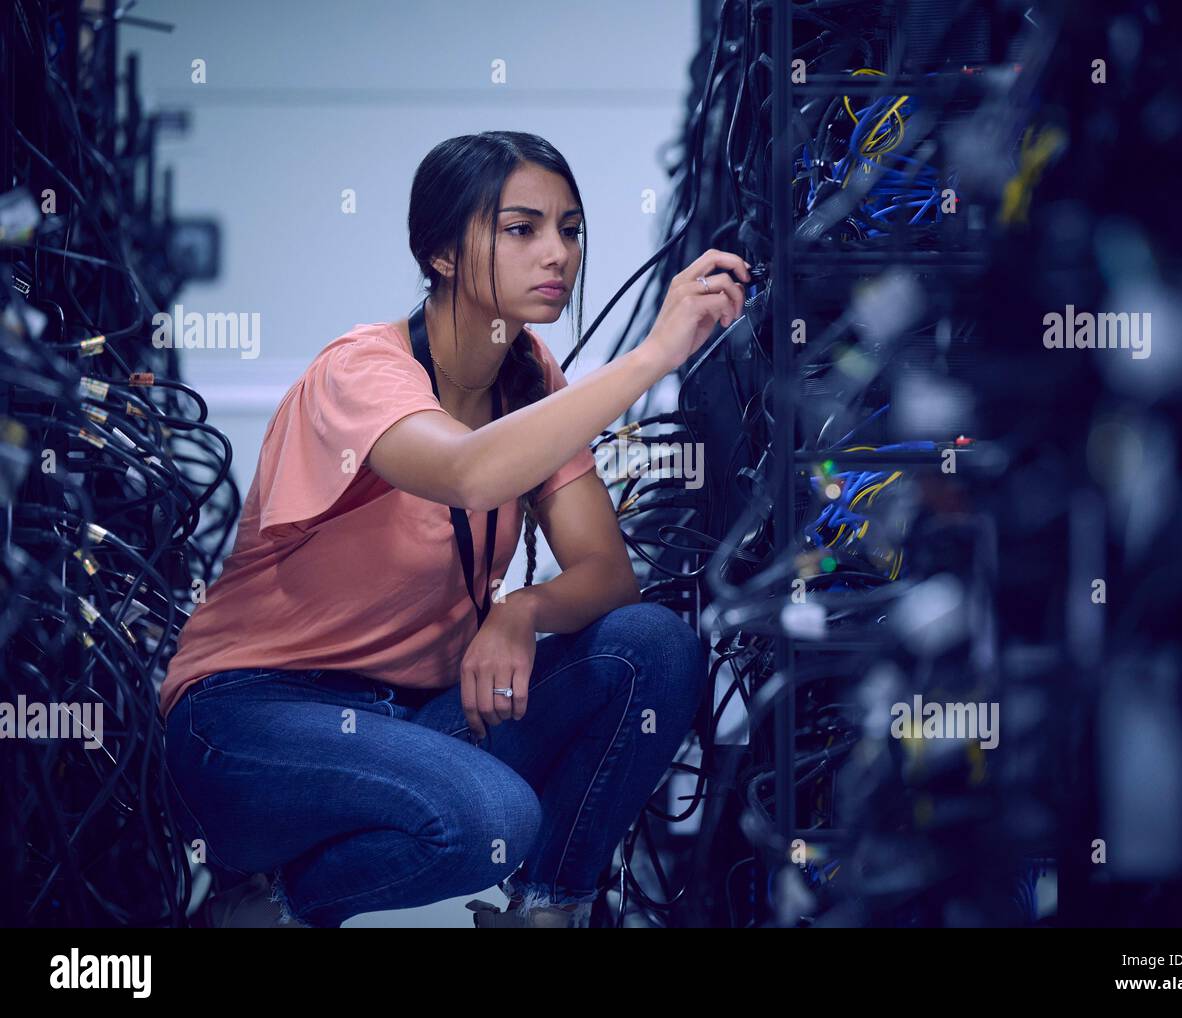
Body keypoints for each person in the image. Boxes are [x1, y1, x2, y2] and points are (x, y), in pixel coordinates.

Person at [160, 130, 751, 927]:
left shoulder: (531, 376)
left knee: (652, 645)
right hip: (253, 718)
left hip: (415, 716)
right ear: (440, 254)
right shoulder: (358, 371)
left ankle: (551, 910)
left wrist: (521, 611)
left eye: (570, 230)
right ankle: (267, 905)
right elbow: (470, 470)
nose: (558, 255)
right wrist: (654, 355)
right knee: (490, 818)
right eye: (521, 229)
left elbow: (608, 576)